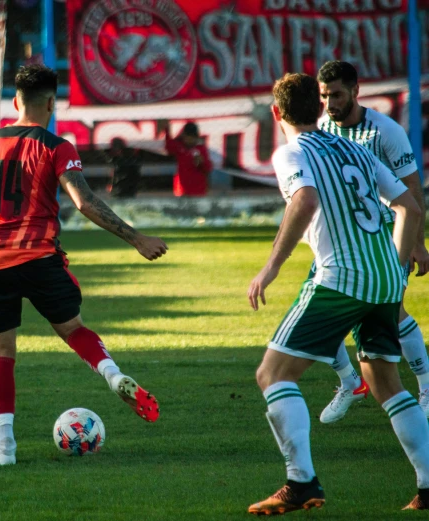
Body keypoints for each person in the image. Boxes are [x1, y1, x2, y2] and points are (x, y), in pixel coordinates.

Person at [0, 64, 167, 466]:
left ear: (15, 101)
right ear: (51, 103)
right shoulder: (57, 146)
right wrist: (137, 238)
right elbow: (84, 202)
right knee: (73, 329)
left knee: (2, 349)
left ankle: (6, 449)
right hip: (40, 257)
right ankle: (111, 374)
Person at [247, 72, 428, 514]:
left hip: (341, 279)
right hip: (384, 278)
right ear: (318, 106)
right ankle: (428, 486)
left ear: (277, 113)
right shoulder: (355, 148)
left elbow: (304, 200)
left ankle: (301, 482)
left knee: (272, 375)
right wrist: (396, 263)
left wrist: (270, 267)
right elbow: (410, 205)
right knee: (385, 382)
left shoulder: (291, 152)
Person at [315, 60, 429, 423]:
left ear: (355, 91)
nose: (330, 103)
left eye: (336, 94)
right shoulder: (322, 127)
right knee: (321, 311)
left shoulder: (385, 131)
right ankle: (350, 382)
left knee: (389, 312)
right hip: (343, 240)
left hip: (385, 236)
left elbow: (412, 189)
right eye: (324, 96)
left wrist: (417, 243)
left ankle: (426, 384)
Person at [164, 121, 212, 197]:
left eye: (192, 138)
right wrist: (167, 130)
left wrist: (202, 162)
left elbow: (208, 168)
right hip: (181, 190)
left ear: (196, 138)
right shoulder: (179, 147)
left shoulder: (201, 149)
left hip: (198, 190)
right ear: (183, 137)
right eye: (187, 138)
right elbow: (168, 146)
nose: (190, 140)